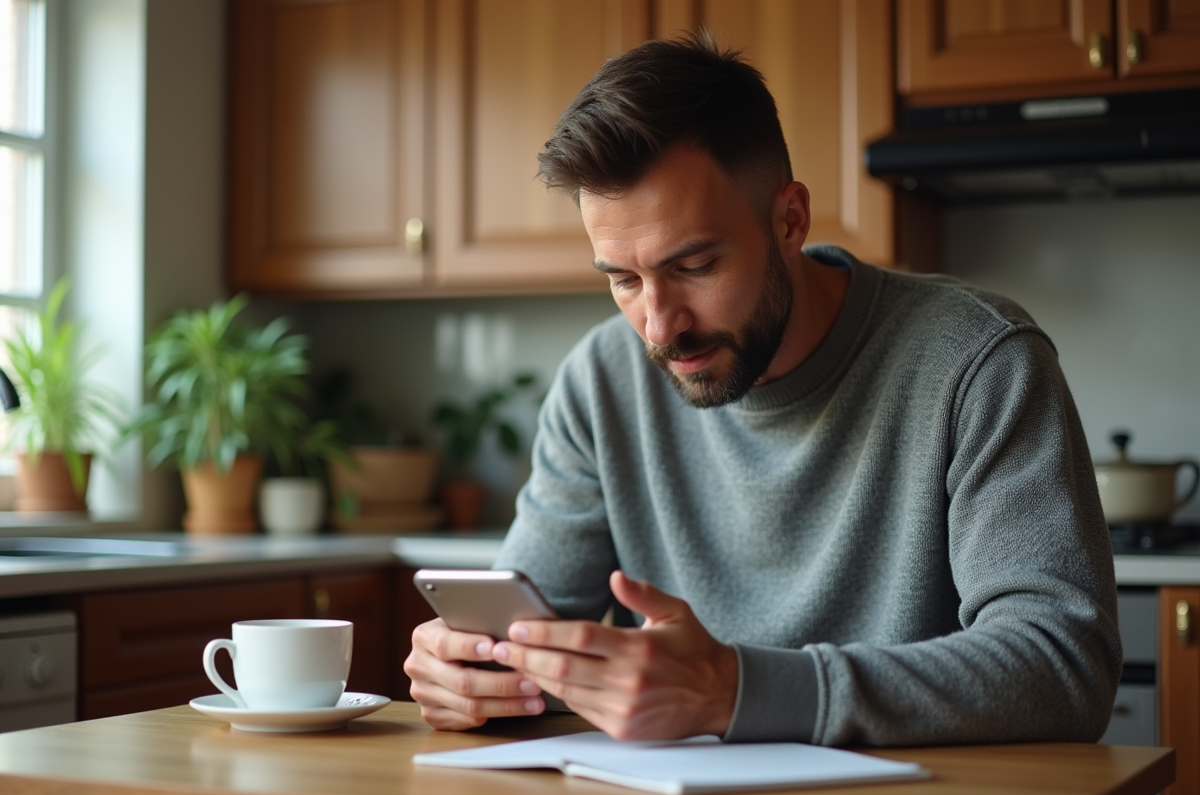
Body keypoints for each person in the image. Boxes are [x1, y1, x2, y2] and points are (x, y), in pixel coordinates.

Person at [404, 32, 1121, 746]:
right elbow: (524, 632)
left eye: (694, 265)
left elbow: (1062, 664)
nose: (658, 326)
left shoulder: (977, 361)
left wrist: (736, 691)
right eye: (623, 279)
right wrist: (471, 671)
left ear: (790, 220)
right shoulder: (600, 384)